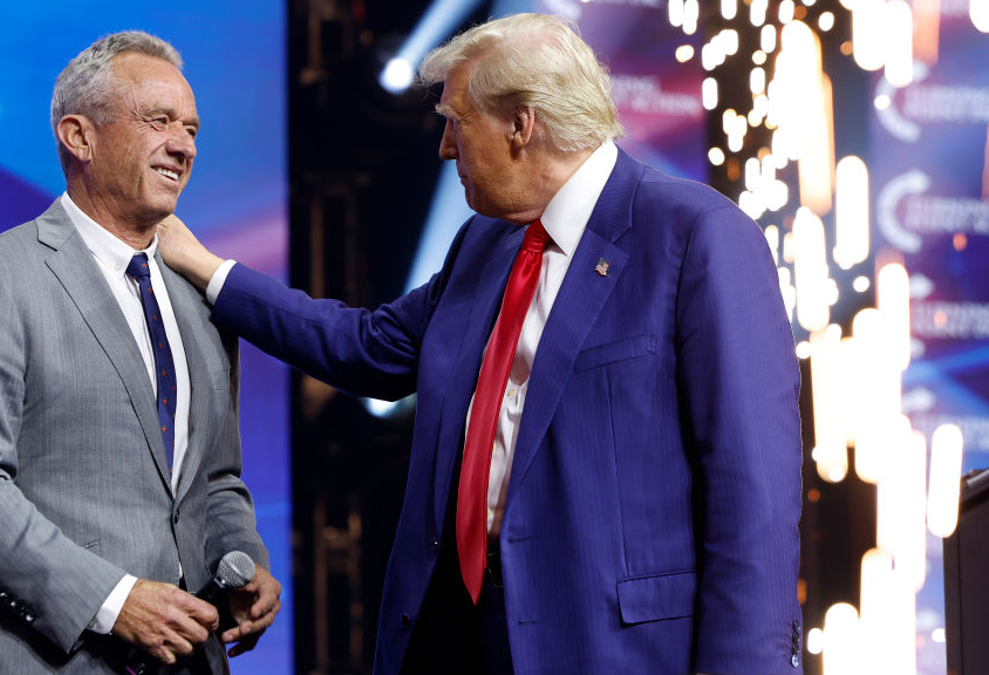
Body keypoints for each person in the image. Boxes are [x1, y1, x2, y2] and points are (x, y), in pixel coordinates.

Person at [161, 12, 804, 675]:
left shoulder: (695, 237)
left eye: (456, 120)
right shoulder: (485, 243)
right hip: (454, 636)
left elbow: (752, 494)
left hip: (608, 648)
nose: (444, 146)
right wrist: (209, 271)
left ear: (520, 125)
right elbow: (368, 348)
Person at [0, 31, 281, 675]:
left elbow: (216, 479)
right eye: (159, 121)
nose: (184, 145)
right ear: (79, 136)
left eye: (192, 128)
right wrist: (115, 603)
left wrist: (244, 561)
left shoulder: (201, 301)